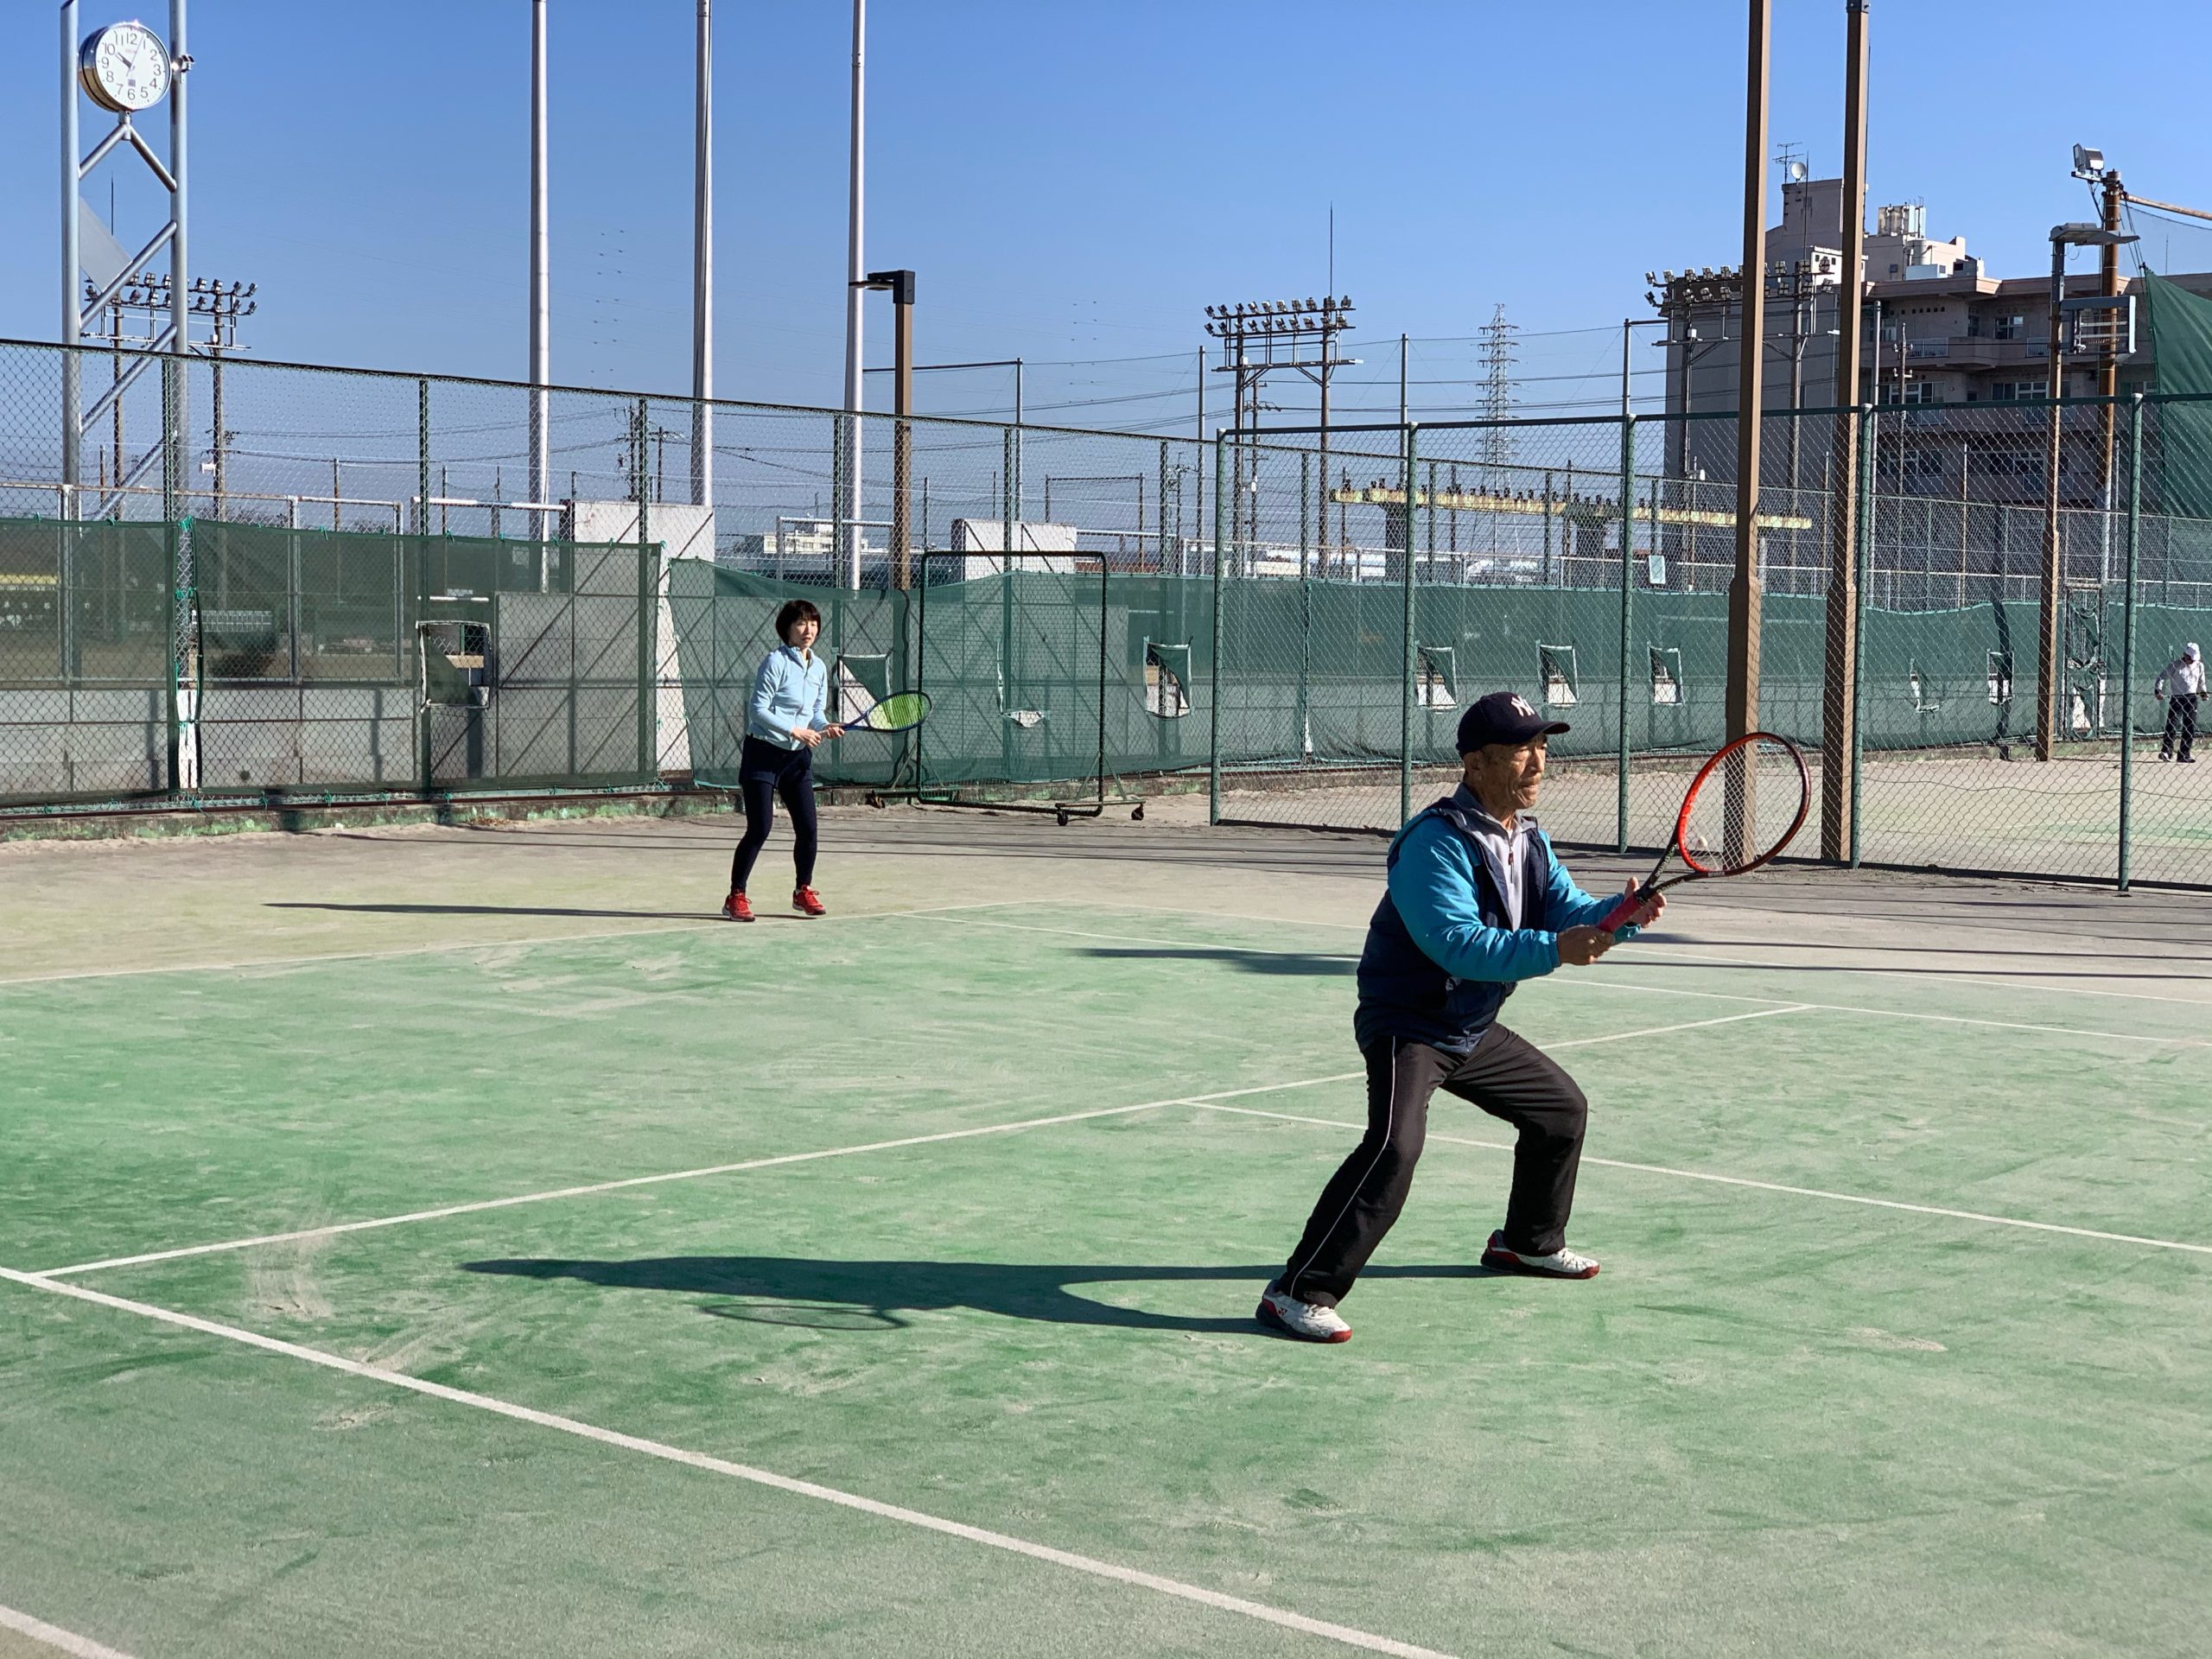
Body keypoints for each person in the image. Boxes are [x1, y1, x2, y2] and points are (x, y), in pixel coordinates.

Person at [1256, 690, 1664, 1344]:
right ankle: (1298, 1291)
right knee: (1394, 1147)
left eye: (1543, 747)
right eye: (1521, 750)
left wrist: (1621, 917)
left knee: (1559, 1111)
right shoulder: (1434, 843)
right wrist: (1557, 949)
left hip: (1469, 1024)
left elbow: (1567, 911)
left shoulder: (1527, 840)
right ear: (1476, 763)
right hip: (1409, 1022)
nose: (1539, 762)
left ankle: (1526, 1243)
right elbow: (1456, 943)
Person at [722, 600, 842, 921]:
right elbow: (757, 710)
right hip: (763, 754)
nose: (808, 630)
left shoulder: (819, 667)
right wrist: (794, 730)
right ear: (787, 629)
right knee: (760, 827)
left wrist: (825, 727)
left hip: (797, 760)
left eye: (813, 623)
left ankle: (803, 890)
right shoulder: (775, 662)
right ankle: (736, 896)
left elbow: (815, 713)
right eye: (801, 623)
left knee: (809, 828)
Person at [2154, 642, 2204, 764]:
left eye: (2194, 659)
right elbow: (2162, 677)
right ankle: (2166, 751)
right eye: (2190, 658)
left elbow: (2201, 682)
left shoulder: (2199, 665)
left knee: (2190, 726)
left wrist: (2203, 692)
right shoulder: (2176, 665)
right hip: (2177, 698)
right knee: (2172, 724)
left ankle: (2184, 754)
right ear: (2185, 655)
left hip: (2192, 698)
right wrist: (2158, 691)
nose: (2192, 661)